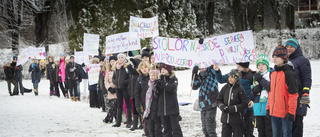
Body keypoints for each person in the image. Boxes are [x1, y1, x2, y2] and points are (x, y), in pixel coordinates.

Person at [214, 62, 255, 137]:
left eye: (239, 66)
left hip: (246, 107)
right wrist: (217, 71)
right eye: (237, 66)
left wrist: (253, 100)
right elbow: (221, 79)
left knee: (247, 130)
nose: (237, 68)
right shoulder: (233, 74)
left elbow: (255, 89)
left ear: (245, 67)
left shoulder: (251, 76)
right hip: (230, 112)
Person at [267, 45, 299, 137]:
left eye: (277, 57)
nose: (274, 59)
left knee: (286, 134)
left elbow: (293, 94)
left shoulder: (289, 73)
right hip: (274, 112)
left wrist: (291, 112)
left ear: (284, 58)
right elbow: (271, 92)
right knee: (275, 134)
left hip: (285, 113)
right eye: (273, 57)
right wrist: (268, 107)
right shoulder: (273, 73)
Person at [285, 38, 312, 137]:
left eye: (291, 47)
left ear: (296, 48)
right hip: (287, 98)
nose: (289, 49)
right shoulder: (285, 61)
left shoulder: (303, 60)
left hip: (299, 98)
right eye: (287, 47)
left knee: (297, 127)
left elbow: (307, 79)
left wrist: (305, 93)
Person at [216, 69, 248, 137]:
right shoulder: (225, 88)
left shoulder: (240, 89)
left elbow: (244, 103)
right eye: (229, 77)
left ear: (237, 78)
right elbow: (218, 100)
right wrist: (222, 107)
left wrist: (234, 108)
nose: (230, 79)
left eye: (232, 77)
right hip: (225, 120)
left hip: (236, 120)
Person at [155, 63, 183, 137]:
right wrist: (157, 88)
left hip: (172, 109)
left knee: (175, 129)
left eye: (164, 69)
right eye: (161, 69)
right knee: (166, 129)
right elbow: (157, 95)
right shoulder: (160, 79)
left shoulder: (173, 79)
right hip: (162, 110)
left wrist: (163, 84)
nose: (163, 70)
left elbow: (172, 89)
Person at [191, 65, 219, 137]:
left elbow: (214, 70)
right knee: (205, 129)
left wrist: (211, 66)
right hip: (203, 104)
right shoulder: (200, 76)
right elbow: (194, 86)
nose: (201, 69)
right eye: (200, 67)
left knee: (210, 129)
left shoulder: (212, 73)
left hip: (211, 103)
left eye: (203, 66)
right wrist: (194, 74)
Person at [251, 54, 273, 137]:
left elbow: (270, 88)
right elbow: (252, 93)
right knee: (261, 131)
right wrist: (254, 90)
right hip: (257, 108)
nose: (261, 67)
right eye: (259, 65)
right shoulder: (255, 76)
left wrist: (261, 80)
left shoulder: (270, 74)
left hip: (267, 107)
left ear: (267, 65)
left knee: (269, 130)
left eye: (263, 64)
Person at [112, 53, 132, 128]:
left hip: (125, 88)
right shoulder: (116, 68)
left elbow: (130, 78)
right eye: (119, 58)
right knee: (119, 104)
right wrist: (115, 82)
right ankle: (118, 122)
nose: (120, 59)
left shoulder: (126, 67)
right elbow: (113, 77)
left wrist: (124, 82)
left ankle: (129, 121)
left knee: (127, 104)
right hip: (118, 88)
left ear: (124, 59)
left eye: (122, 58)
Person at [143, 69, 162, 137]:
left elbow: (158, 95)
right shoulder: (149, 85)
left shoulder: (158, 84)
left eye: (154, 75)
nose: (152, 77)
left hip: (157, 109)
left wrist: (157, 87)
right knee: (149, 127)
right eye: (150, 75)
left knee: (157, 129)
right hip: (149, 110)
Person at [134, 61, 151, 132]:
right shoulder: (139, 79)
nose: (144, 69)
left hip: (152, 102)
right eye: (142, 68)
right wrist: (137, 105)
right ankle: (146, 132)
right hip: (143, 102)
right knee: (145, 119)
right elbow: (137, 93)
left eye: (146, 67)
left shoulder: (152, 77)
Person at [127, 55, 142, 131]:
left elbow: (133, 72)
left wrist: (129, 65)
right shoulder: (133, 71)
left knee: (139, 108)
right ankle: (135, 124)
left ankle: (141, 123)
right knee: (134, 109)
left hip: (138, 93)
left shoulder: (138, 70)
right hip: (132, 93)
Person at [103, 55, 117, 123]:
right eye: (111, 61)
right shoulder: (108, 70)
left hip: (117, 89)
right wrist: (109, 88)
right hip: (110, 89)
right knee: (112, 104)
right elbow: (106, 81)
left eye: (113, 61)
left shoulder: (117, 69)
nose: (112, 62)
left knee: (115, 104)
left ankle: (109, 117)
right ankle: (111, 117)